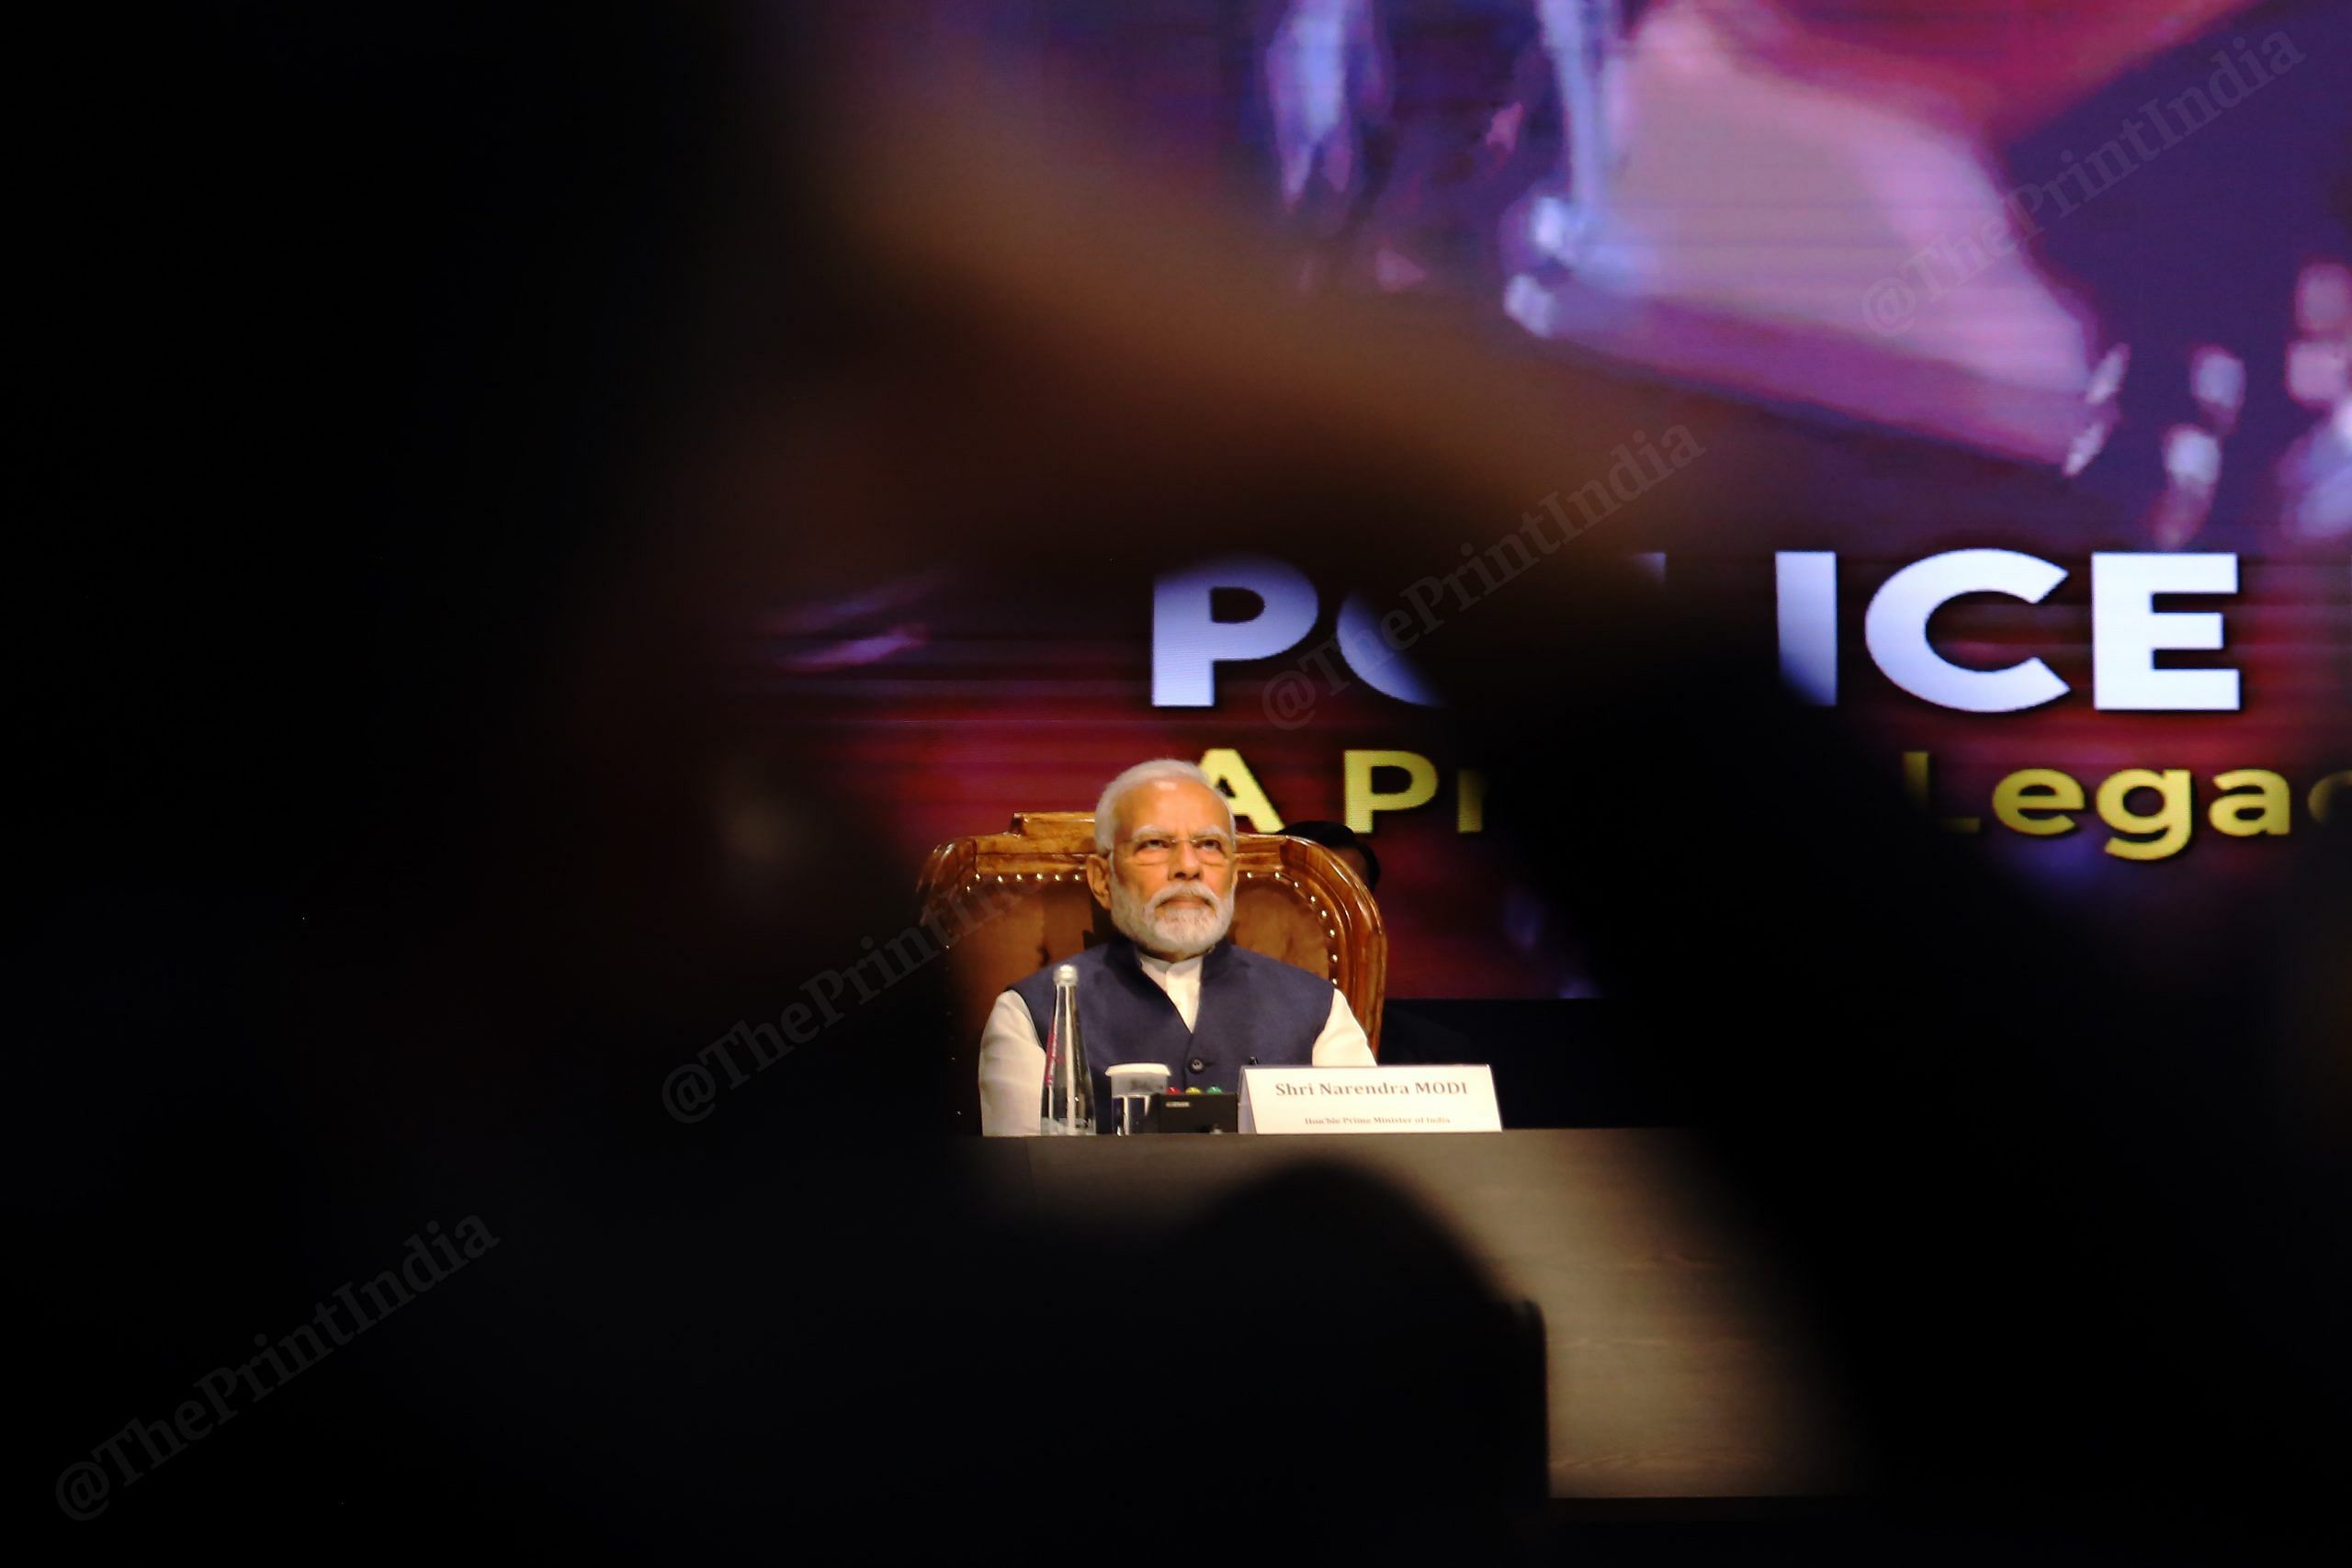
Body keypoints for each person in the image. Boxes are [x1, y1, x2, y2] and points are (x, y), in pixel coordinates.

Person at [977, 760, 1374, 1134]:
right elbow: (1032, 1183)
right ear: (1102, 880)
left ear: (1233, 877)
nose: (1188, 865)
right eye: (1154, 844)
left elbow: (1358, 1166)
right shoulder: (1029, 1014)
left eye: (1209, 845)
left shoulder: (1320, 1008)